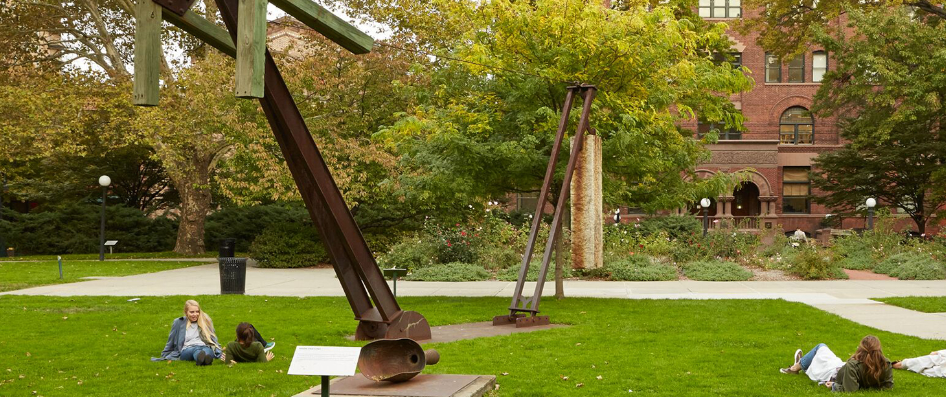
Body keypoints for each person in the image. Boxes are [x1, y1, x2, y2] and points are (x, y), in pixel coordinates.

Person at [780, 335, 893, 392]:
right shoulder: (885, 363)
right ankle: (800, 363)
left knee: (821, 347)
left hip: (834, 374)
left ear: (861, 349)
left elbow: (851, 389)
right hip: (840, 368)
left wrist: (834, 386)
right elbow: (888, 386)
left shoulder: (853, 365)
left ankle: (795, 368)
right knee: (822, 355)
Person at [152, 300, 223, 365]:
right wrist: (165, 353)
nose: (195, 314)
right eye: (192, 312)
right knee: (197, 350)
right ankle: (202, 359)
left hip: (204, 346)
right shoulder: (178, 322)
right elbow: (171, 340)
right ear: (186, 312)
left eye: (197, 311)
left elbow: (213, 338)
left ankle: (203, 361)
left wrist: (220, 352)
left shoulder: (205, 321)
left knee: (206, 350)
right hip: (187, 349)